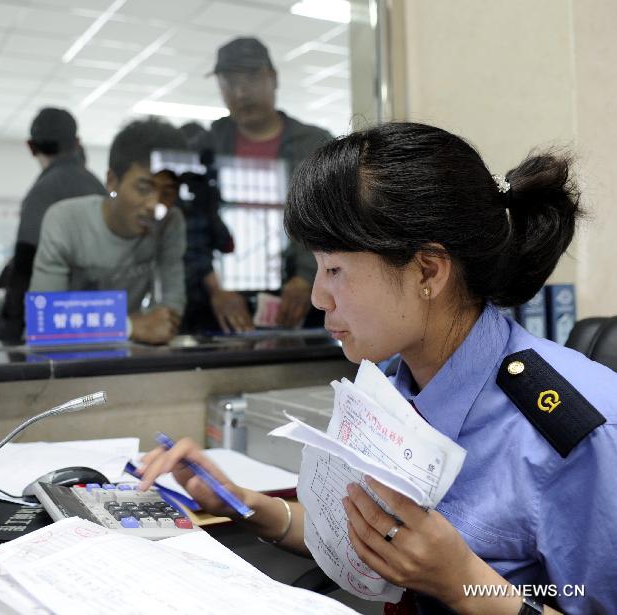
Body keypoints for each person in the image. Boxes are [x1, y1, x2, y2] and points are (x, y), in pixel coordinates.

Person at [139, 123, 617, 614]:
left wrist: (463, 582)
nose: (318, 296)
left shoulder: (577, 433)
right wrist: (239, 502)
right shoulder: (394, 387)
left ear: (428, 271)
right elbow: (364, 536)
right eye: (317, 267)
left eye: (335, 270)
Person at [193, 36, 333, 328]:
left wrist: (308, 276)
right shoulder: (205, 148)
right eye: (229, 83)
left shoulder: (314, 145)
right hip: (225, 302)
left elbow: (333, 220)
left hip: (303, 297)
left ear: (273, 78)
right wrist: (215, 286)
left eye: (251, 79)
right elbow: (192, 226)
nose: (241, 92)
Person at [29, 118, 187, 345]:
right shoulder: (66, 220)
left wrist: (152, 324)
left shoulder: (170, 223)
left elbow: (169, 308)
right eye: (143, 188)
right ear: (112, 181)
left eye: (168, 192)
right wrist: (129, 326)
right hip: (61, 358)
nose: (156, 205)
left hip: (122, 355)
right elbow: (42, 319)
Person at [0, 107, 106, 342]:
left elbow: (24, 269)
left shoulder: (41, 194)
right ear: (77, 143)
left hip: (55, 323)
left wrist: (5, 338)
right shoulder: (99, 189)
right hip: (103, 319)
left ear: (31, 147)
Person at [176, 121, 252, 334]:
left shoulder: (204, 206)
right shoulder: (180, 211)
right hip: (186, 297)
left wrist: (211, 211)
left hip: (204, 301)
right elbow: (192, 253)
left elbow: (227, 245)